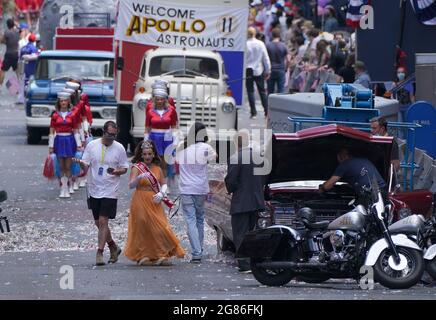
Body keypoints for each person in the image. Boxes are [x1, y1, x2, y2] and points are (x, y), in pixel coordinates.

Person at [74, 121, 128, 266]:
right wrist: (80, 163)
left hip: (110, 189)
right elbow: (85, 164)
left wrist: (118, 171)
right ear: (103, 132)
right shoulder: (92, 145)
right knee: (98, 222)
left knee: (104, 221)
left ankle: (99, 252)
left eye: (114, 135)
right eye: (109, 134)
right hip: (94, 187)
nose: (111, 137)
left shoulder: (120, 148)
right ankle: (113, 246)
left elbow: (125, 168)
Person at [124, 140, 185, 266]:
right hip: (140, 199)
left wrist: (162, 193)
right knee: (142, 226)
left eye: (149, 154)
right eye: (145, 154)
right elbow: (130, 185)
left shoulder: (158, 168)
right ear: (141, 155)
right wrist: (139, 178)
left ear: (153, 155)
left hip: (155, 200)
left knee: (159, 227)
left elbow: (164, 184)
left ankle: (160, 254)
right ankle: (143, 255)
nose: (147, 156)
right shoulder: (137, 168)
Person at [176, 122, 217, 264]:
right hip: (201, 189)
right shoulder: (206, 148)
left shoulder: (183, 146)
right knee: (199, 219)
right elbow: (214, 158)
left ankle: (196, 252)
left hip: (186, 189)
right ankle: (199, 250)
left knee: (190, 220)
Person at [225, 131, 265, 273]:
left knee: (240, 233)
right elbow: (264, 178)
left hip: (241, 201)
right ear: (248, 142)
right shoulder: (259, 157)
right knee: (252, 233)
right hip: (257, 200)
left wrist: (231, 189)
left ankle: (244, 264)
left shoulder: (236, 157)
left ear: (236, 143)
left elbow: (231, 180)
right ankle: (254, 262)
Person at [49, 92, 83, 198]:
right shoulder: (54, 115)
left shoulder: (72, 114)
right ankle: (62, 188)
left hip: (69, 140)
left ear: (68, 102)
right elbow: (51, 130)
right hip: (59, 140)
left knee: (68, 166)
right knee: (60, 166)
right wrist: (50, 146)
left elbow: (76, 130)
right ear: (59, 103)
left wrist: (78, 144)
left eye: (65, 101)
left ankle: (68, 187)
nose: (63, 103)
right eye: (61, 101)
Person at [144, 87, 178, 187]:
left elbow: (174, 126)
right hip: (154, 137)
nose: (159, 101)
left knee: (165, 161)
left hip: (167, 137)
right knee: (155, 160)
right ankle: (155, 182)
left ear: (165, 100)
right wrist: (145, 140)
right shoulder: (150, 111)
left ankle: (164, 185)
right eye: (157, 99)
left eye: (161, 99)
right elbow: (147, 127)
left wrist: (175, 140)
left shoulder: (171, 110)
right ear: (154, 100)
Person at [319, 148, 387, 196]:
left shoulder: (344, 164)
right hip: (383, 191)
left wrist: (322, 188)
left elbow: (328, 186)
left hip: (370, 194)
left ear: (340, 156)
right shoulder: (365, 160)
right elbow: (360, 178)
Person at [246, 26, 271, 119]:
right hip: (258, 69)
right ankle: (266, 111)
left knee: (250, 91)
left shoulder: (245, 44)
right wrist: (268, 70)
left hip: (248, 69)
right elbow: (265, 58)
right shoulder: (260, 44)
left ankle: (253, 112)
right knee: (262, 91)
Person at [266, 28, 288, 95]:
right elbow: (288, 59)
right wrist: (286, 68)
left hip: (271, 69)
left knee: (270, 91)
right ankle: (280, 105)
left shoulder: (268, 45)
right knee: (281, 90)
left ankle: (269, 105)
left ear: (272, 35)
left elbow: (265, 59)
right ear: (279, 35)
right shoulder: (283, 45)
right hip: (281, 69)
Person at [0, 18, 20, 87]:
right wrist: (17, 25)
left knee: (3, 70)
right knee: (17, 70)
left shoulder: (6, 32)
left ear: (7, 25)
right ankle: (20, 86)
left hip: (8, 54)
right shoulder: (17, 32)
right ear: (13, 24)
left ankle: (0, 85)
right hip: (16, 53)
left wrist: (5, 41)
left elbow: (1, 40)